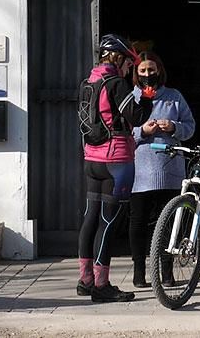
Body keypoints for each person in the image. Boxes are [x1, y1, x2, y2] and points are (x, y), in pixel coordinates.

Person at [77, 34, 140, 302]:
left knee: (90, 218)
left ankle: (85, 281)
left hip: (92, 159)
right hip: (116, 160)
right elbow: (137, 117)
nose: (130, 69)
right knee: (109, 222)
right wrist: (145, 94)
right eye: (129, 63)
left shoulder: (88, 82)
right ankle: (102, 286)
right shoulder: (116, 84)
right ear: (119, 58)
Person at [129, 51, 196, 288]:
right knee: (138, 222)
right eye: (143, 71)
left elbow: (190, 128)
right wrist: (141, 132)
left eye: (152, 69)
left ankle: (167, 273)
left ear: (160, 70)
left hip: (170, 171)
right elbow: (121, 133)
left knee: (169, 222)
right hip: (140, 171)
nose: (148, 74)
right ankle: (139, 273)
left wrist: (174, 127)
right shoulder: (131, 98)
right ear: (136, 73)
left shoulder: (174, 97)